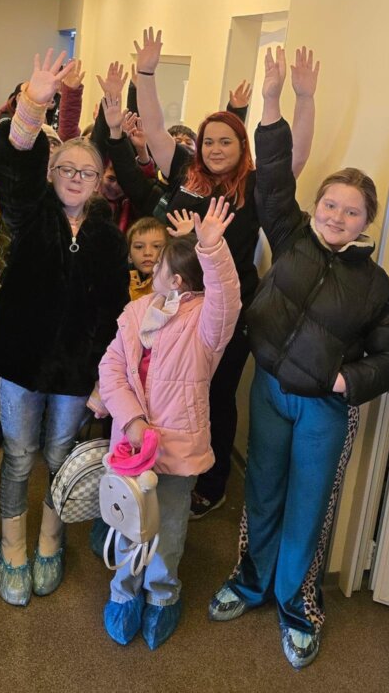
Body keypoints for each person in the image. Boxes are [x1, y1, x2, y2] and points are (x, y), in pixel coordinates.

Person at [208, 46, 389, 670]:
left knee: (309, 507)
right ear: (317, 207)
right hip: (270, 390)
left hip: (325, 407)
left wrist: (348, 380)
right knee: (262, 491)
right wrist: (276, 101)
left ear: (365, 222)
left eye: (351, 211)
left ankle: (299, 607)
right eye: (331, 205)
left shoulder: (375, 286)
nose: (337, 216)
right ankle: (250, 582)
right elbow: (271, 175)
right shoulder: (291, 234)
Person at [134, 28, 319, 518]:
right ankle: (162, 464)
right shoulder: (185, 171)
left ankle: (211, 483)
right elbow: (154, 129)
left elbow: (296, 155)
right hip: (173, 303)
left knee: (215, 394)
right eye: (208, 141)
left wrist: (301, 99)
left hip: (227, 310)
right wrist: (146, 75)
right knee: (166, 385)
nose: (215, 148)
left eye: (226, 141)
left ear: (242, 145)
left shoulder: (256, 184)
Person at [0, 49, 129, 608]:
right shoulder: (31, 211)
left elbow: (114, 315)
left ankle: (49, 541)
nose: (76, 178)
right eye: (66, 169)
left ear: (98, 181)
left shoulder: (108, 238)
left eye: (86, 172)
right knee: (18, 456)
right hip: (22, 361)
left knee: (61, 456)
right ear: (52, 172)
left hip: (74, 372)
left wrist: (103, 383)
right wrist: (32, 106)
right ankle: (12, 548)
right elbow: (12, 171)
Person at [98, 197, 241, 649]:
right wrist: (132, 420)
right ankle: (124, 593)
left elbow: (227, 299)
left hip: (177, 449)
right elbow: (111, 368)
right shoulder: (137, 312)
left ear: (175, 279)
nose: (151, 265)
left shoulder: (205, 322)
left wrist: (211, 247)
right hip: (131, 445)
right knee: (127, 522)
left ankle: (162, 595)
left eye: (159, 262)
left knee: (169, 528)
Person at [127, 216, 168, 300]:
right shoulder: (118, 282)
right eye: (139, 247)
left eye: (156, 246)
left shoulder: (173, 284)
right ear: (129, 255)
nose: (147, 253)